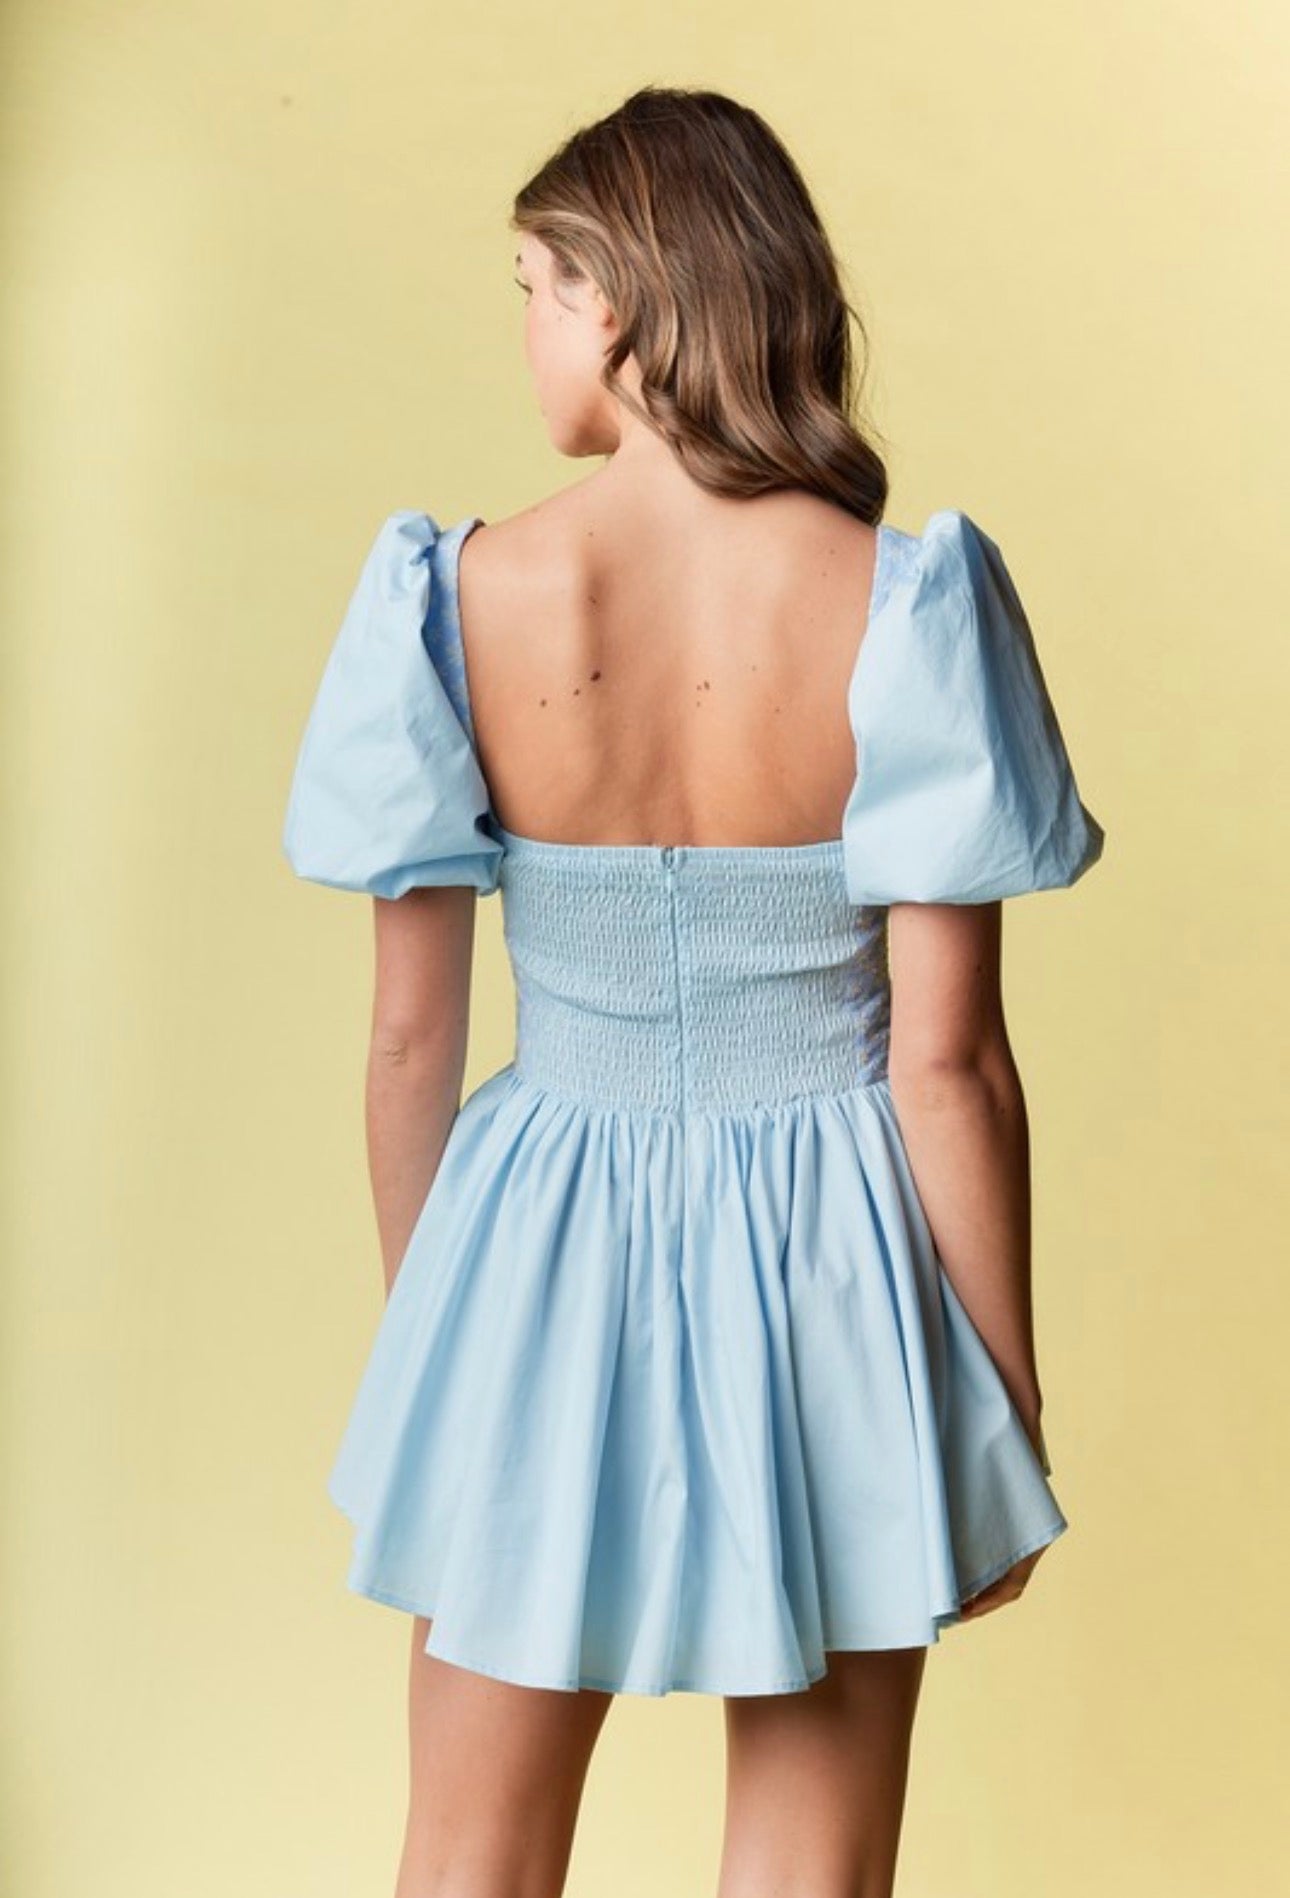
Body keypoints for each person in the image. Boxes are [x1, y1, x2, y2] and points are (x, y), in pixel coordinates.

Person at [282, 84, 1104, 1898]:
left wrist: (437, 1345)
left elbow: (412, 1037)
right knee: (813, 1869)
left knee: (465, 1859)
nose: (524, 331)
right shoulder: (905, 602)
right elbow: (949, 1065)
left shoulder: (454, 596)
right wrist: (999, 1395)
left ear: (618, 298)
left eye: (532, 287)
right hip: (839, 1253)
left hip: (535, 1234)